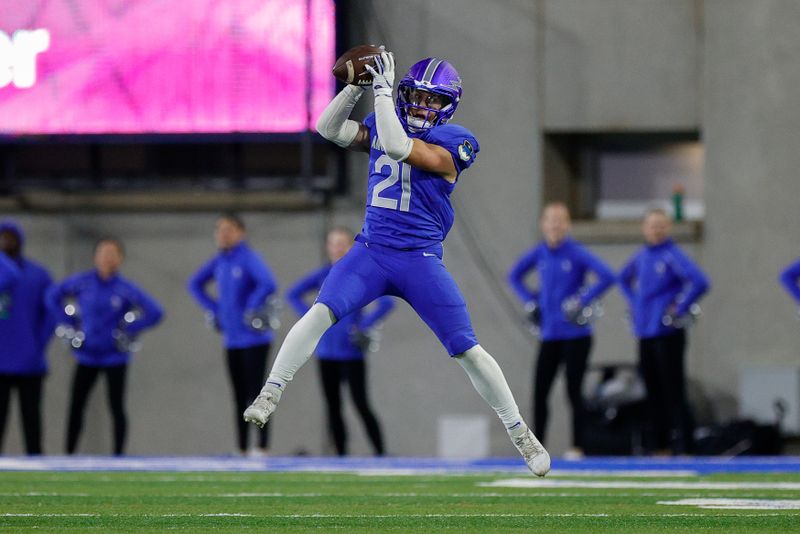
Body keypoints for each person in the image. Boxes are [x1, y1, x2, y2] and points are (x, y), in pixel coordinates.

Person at [244, 49, 551, 476]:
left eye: (433, 100)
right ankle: (271, 391)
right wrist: (356, 87)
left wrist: (385, 94)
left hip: (419, 260)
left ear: (449, 106)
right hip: (371, 251)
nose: (423, 107)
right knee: (320, 312)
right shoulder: (386, 116)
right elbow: (327, 128)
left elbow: (398, 146)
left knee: (466, 348)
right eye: (418, 97)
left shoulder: (456, 141)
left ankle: (519, 432)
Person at [508, 202, 615, 458]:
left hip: (577, 336)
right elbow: (514, 276)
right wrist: (530, 300)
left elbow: (607, 276)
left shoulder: (575, 252)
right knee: (540, 392)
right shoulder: (540, 253)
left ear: (567, 225)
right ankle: (537, 447)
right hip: (550, 335)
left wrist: (582, 299)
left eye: (560, 220)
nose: (555, 225)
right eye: (550, 220)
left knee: (573, 391)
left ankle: (578, 446)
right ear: (543, 224)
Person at [47, 237, 163, 455]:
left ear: (120, 259)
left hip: (114, 357)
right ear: (95, 256)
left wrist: (129, 329)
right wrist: (69, 322)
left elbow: (156, 312)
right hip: (86, 355)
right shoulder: (82, 282)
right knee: (76, 405)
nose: (107, 258)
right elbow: (52, 297)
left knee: (116, 407)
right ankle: (68, 454)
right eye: (103, 253)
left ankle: (118, 456)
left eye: (112, 254)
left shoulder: (125, 288)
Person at [287, 227, 394, 456]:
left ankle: (381, 454)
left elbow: (387, 303)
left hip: (351, 353)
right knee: (333, 407)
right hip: (326, 353)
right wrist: (311, 319)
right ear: (328, 247)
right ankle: (341, 457)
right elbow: (292, 294)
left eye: (342, 243)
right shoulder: (323, 274)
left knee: (361, 404)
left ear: (351, 247)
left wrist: (364, 325)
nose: (337, 248)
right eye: (333, 243)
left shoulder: (361, 273)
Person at [619, 208, 709, 455]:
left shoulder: (672, 255)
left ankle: (686, 446)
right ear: (644, 228)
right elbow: (623, 279)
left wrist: (679, 307)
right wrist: (635, 303)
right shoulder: (641, 256)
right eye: (651, 225)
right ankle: (660, 446)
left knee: (674, 389)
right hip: (645, 333)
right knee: (652, 390)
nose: (655, 230)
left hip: (668, 332)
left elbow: (700, 282)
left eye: (660, 225)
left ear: (667, 227)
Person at [188, 213, 279, 456]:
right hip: (231, 338)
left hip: (254, 339)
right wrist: (214, 308)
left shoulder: (248, 257)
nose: (223, 234)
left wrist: (251, 306)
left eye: (229, 229)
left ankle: (262, 445)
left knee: (257, 393)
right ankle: (241, 446)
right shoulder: (219, 260)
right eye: (219, 230)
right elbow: (194, 284)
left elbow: (268, 283)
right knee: (238, 395)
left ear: (241, 233)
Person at [0, 220, 54, 455]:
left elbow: (51, 313)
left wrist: (38, 345)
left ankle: (37, 467)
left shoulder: (38, 275)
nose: (6, 242)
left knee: (32, 420)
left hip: (30, 362)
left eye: (10, 237)